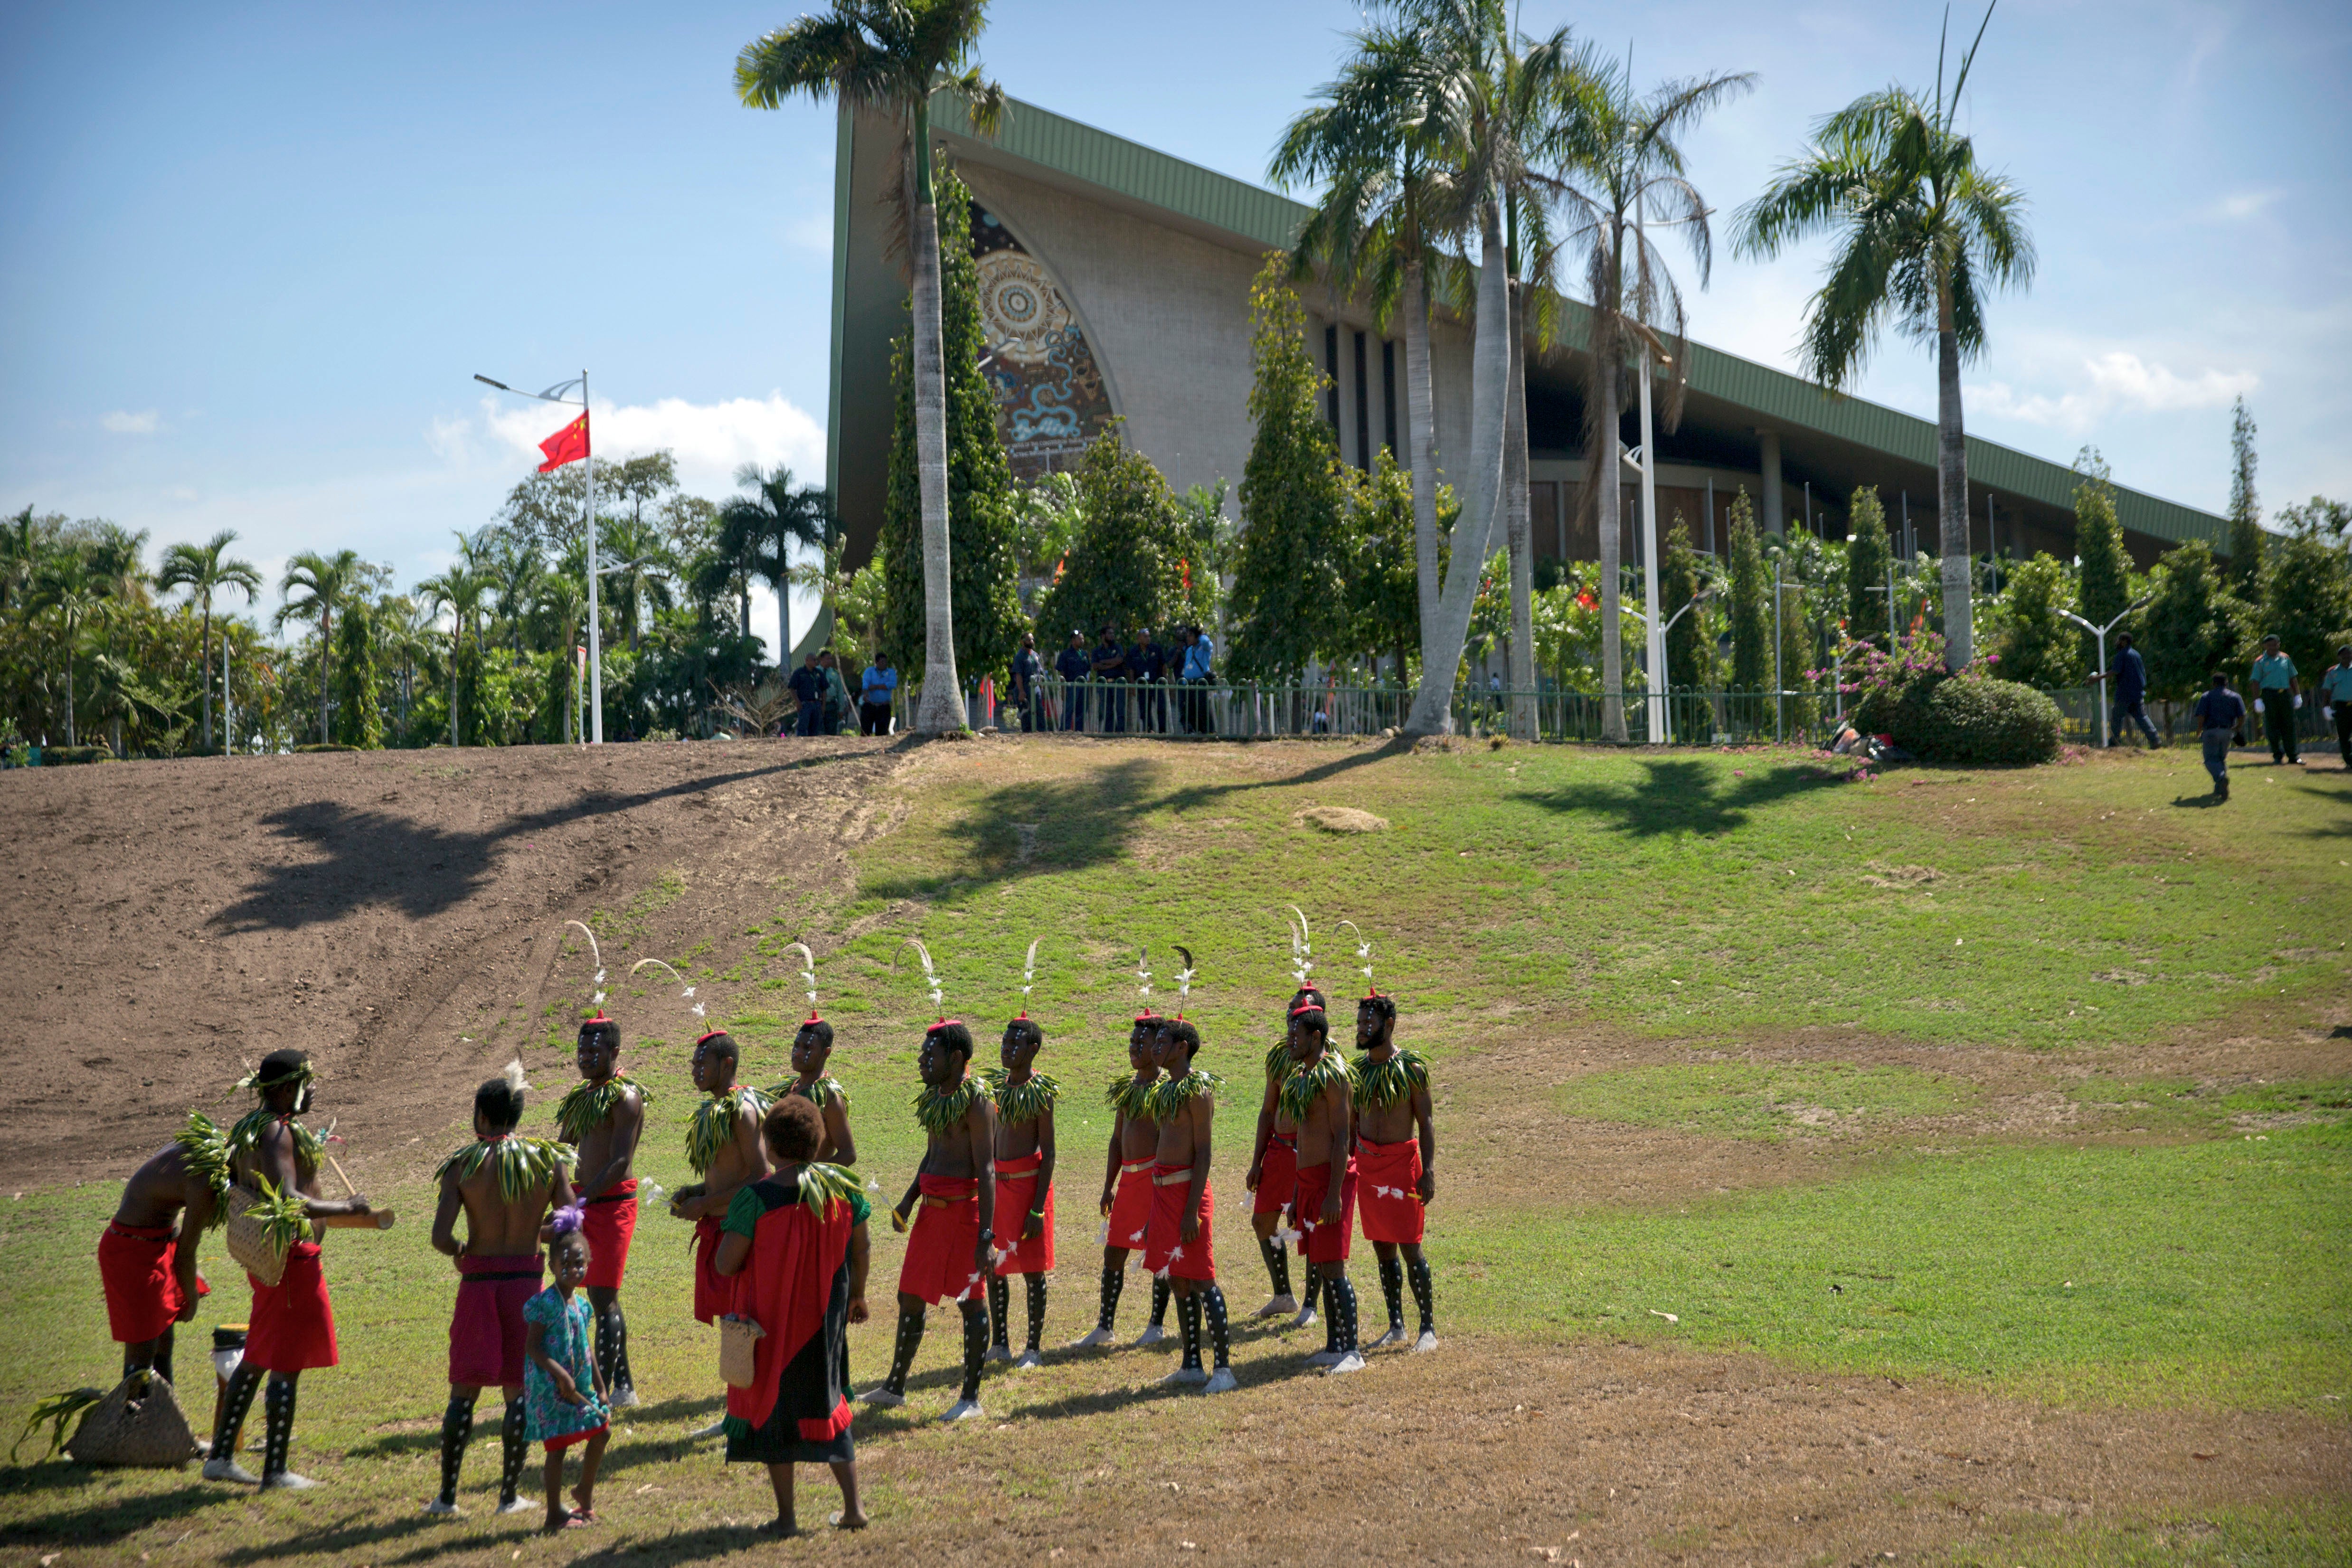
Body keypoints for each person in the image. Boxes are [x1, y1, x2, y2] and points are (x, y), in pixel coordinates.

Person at [206, 1050, 372, 1489]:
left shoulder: (249, 1130)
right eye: (307, 1082)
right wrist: (347, 1206)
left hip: (265, 1257)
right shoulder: (277, 1131)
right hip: (290, 1258)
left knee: (260, 1353)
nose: (313, 1090)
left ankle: (220, 1457)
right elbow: (288, 1197)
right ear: (283, 1089)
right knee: (286, 1362)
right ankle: (275, 1470)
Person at [714, 1096, 871, 1536]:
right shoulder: (844, 1190)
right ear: (818, 1142)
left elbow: (727, 1263)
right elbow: (861, 1247)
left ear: (769, 1143)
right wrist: (858, 1295)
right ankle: (853, 1508)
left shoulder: (755, 1198)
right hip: (826, 1323)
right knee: (829, 1402)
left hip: (770, 1326)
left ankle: (786, 1518)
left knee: (775, 1413)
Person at [428, 1068, 576, 1518]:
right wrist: (536, 1230)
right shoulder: (546, 1161)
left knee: (464, 1391)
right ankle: (508, 1497)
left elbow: (440, 1237)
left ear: (481, 1116)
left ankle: (447, 1498)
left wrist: (461, 1250)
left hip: (478, 1283)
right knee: (518, 1390)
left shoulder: (463, 1164)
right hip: (525, 1286)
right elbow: (571, 1220)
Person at [865, 1020, 997, 1422]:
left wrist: (986, 1235)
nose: (922, 1061)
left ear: (955, 1058)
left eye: (930, 1055)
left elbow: (987, 1169)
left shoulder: (977, 1101)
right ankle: (895, 1387)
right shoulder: (937, 1097)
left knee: (970, 1302)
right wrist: (908, 1199)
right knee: (910, 1296)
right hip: (930, 1214)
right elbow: (932, 1154)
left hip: (964, 1215)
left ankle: (970, 1398)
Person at [671, 1031, 772, 1438]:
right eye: (694, 1062)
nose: (695, 1069)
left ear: (726, 1065)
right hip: (722, 1223)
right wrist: (697, 1193)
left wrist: (707, 1205)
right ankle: (738, 1412)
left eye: (703, 1063)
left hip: (742, 1229)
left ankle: (747, 1413)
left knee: (744, 1319)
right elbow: (727, 1174)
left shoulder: (742, 1110)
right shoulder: (715, 1110)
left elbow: (759, 1176)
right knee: (735, 1320)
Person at [554, 1015, 646, 1408]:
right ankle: (624, 1387)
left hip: (610, 1207)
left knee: (604, 1297)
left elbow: (619, 1162)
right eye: (581, 1051)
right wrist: (555, 1195)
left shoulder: (626, 1097)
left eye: (594, 1051)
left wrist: (581, 1200)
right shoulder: (582, 1096)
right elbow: (562, 1149)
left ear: (615, 1052)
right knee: (596, 1293)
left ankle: (601, 1392)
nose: (586, 1057)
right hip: (584, 1202)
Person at [100, 1112, 226, 1392]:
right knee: (142, 1351)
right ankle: (134, 1429)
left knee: (163, 1344)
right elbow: (186, 1254)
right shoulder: (206, 1181)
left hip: (155, 1243)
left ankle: (167, 1426)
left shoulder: (203, 1149)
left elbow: (165, 1200)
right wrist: (191, 1299)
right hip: (132, 1253)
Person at [1143, 1016, 1236, 1392]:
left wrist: (1191, 1210)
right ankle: (1191, 1364)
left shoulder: (1198, 1090)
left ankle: (1224, 1370)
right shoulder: (1167, 1089)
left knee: (1202, 1279)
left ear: (1182, 1048)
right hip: (1163, 1194)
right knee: (1177, 1278)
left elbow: (1203, 1153)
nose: (1155, 1045)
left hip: (1187, 1195)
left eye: (1163, 1040)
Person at [1071, 1014, 1171, 1349]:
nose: (1133, 1048)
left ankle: (1156, 1324)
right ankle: (1105, 1326)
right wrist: (1107, 1185)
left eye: (1140, 1043)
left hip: (1156, 1180)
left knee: (1158, 1252)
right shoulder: (1128, 1088)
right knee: (1114, 1253)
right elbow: (1117, 1140)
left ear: (1157, 1047)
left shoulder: (1167, 1089)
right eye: (1131, 1042)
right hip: (1128, 1180)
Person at [1351, 990, 1438, 1353]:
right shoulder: (1357, 1073)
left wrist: (1428, 1170)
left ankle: (1427, 1328)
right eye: (1358, 1022)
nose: (1360, 1028)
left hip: (1402, 1166)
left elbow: (1426, 1121)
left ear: (1387, 1025)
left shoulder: (1411, 1069)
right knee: (1381, 1246)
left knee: (1410, 1247)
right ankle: (1396, 1325)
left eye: (1367, 1023)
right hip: (1368, 1167)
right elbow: (1352, 1122)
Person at [1283, 1003, 1363, 1375]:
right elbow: (1304, 1136)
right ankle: (1334, 1345)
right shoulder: (1304, 1076)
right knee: (1320, 1263)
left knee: (1333, 1265)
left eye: (1295, 1034)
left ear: (1315, 1037)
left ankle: (1353, 1352)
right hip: (1309, 1182)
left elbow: (1342, 1136)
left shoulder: (1333, 1075)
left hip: (1333, 1181)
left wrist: (1333, 1193)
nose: (1289, 1040)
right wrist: (1299, 1194)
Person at [522, 1211, 610, 1533]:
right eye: (566, 1263)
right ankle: (553, 1515)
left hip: (578, 1385)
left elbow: (587, 1351)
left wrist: (600, 1388)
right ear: (552, 1266)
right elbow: (533, 1347)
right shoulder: (543, 1304)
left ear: (588, 1262)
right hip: (550, 1387)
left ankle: (584, 1492)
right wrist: (560, 1375)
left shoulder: (582, 1305)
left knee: (602, 1430)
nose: (573, 1269)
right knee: (557, 1449)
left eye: (579, 1263)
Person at [982, 1011, 1057, 1367]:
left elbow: (1050, 1152)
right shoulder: (996, 1088)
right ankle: (1000, 1342)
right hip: (998, 1186)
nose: (1006, 1049)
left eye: (1015, 1044)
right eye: (1004, 1042)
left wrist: (1038, 1208)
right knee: (994, 1266)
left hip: (1029, 1190)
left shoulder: (1039, 1092)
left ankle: (1033, 1348)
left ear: (1033, 1048)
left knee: (1031, 1270)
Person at [770, 1014, 858, 1167]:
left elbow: (848, 1155)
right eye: (796, 1045)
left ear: (826, 1052)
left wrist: (812, 1178)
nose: (798, 1052)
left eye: (808, 1048)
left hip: (809, 1188)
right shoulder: (787, 1092)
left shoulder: (828, 1098)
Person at [2088, 632, 2161, 748]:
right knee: (2142, 717)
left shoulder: (2122, 655)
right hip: (2138, 693)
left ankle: (2115, 741)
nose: (2118, 643)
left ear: (2124, 642)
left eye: (2119, 640)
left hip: (2125, 693)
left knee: (2117, 716)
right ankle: (2155, 740)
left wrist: (2097, 678)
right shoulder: (2137, 654)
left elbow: (2115, 671)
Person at [2192, 671, 2247, 800]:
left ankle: (2222, 778)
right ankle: (2219, 789)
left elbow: (2201, 715)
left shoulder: (2206, 696)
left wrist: (2199, 729)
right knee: (2220, 759)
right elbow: (2242, 715)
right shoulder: (2235, 697)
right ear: (2227, 683)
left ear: (2213, 684)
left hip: (2211, 731)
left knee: (2210, 760)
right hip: (2227, 732)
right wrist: (2238, 727)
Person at [2249, 634, 2301, 765]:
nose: (2272, 648)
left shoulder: (2285, 658)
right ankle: (2277, 755)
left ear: (2279, 644)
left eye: (2274, 645)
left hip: (2285, 694)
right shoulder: (2260, 661)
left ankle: (2293, 756)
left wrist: (2297, 695)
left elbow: (2292, 678)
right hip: (2269, 695)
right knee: (2273, 726)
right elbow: (2255, 681)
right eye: (2269, 646)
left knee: (2289, 725)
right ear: (2265, 647)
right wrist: (2257, 700)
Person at [1091, 625, 1129, 733]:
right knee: (1107, 710)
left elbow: (1119, 660)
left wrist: (1103, 662)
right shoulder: (1097, 650)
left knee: (1120, 709)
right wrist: (1112, 663)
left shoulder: (1118, 647)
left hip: (1118, 682)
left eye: (1113, 633)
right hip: (1104, 683)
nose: (1113, 636)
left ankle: (1122, 733)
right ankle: (1109, 733)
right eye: (1110, 634)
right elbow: (1095, 666)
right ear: (1103, 636)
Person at [1180, 625, 1216, 735]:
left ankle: (1209, 731)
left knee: (1202, 706)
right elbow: (1187, 665)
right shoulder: (1189, 650)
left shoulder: (1204, 647)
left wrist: (1202, 634)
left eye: (1191, 636)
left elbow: (1206, 642)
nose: (1188, 638)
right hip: (1190, 683)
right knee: (1190, 707)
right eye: (1188, 636)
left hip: (1201, 681)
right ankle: (1196, 730)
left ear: (1197, 637)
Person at [1132, 627, 1168, 734]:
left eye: (1149, 636)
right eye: (1145, 637)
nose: (1148, 639)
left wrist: (1164, 679)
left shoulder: (1156, 648)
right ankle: (1149, 730)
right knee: (1145, 709)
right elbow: (1131, 669)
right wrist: (1133, 685)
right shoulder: (1134, 651)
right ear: (1139, 638)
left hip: (1157, 683)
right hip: (1143, 685)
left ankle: (1163, 731)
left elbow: (1163, 664)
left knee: (1161, 708)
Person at [2321, 645, 2352, 766]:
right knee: (2344, 736)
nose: (2346, 657)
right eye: (2343, 655)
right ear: (2339, 657)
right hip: (2341, 707)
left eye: (2349, 654)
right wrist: (2326, 707)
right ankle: (2349, 761)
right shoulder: (2333, 672)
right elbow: (2327, 691)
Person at [1055, 630, 1092, 731]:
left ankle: (1079, 731)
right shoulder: (1066, 654)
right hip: (1071, 685)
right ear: (1073, 640)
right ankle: (1064, 730)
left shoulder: (1084, 654)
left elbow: (1088, 671)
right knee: (1069, 709)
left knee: (1082, 710)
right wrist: (1063, 689)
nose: (1082, 641)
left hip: (1083, 686)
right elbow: (1062, 673)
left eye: (1083, 639)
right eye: (1080, 639)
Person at [1008, 633, 1044, 734]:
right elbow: (1018, 675)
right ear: (1023, 642)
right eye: (1029, 640)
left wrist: (1042, 688)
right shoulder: (1020, 656)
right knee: (1027, 713)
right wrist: (1021, 691)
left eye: (1032, 639)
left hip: (1036, 688)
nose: (1031, 642)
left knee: (1039, 711)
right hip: (1024, 687)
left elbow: (1040, 672)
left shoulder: (1035, 655)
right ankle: (1027, 734)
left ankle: (1041, 733)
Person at [789, 654, 827, 739]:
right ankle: (801, 747)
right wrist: (798, 702)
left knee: (815, 730)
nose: (816, 662)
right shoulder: (799, 673)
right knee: (802, 728)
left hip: (817, 704)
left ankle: (813, 747)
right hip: (805, 704)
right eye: (814, 660)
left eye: (816, 660)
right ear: (807, 661)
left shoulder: (819, 673)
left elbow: (824, 689)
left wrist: (823, 705)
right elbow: (792, 688)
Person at [859, 652, 897, 736]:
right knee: (865, 732)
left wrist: (876, 686)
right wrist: (866, 694)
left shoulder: (891, 672)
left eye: (886, 662)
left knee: (882, 734)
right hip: (870, 705)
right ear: (877, 662)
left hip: (884, 707)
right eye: (882, 662)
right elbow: (866, 685)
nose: (885, 664)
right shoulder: (870, 671)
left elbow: (892, 684)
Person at [820, 652, 851, 736]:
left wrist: (841, 709)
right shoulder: (815, 671)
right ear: (821, 659)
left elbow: (840, 692)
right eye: (828, 659)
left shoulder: (834, 673)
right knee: (818, 731)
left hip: (831, 705)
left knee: (831, 731)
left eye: (831, 659)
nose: (830, 661)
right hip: (818, 704)